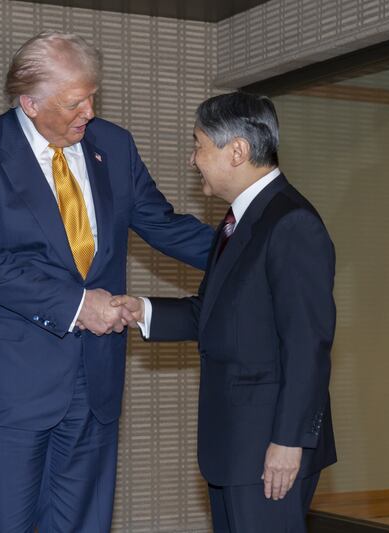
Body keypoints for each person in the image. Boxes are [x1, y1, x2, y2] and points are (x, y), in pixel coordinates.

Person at [0, 31, 214, 532]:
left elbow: (163, 224)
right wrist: (78, 304)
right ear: (30, 102)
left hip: (95, 377)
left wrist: (251, 250)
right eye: (74, 103)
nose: (89, 111)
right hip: (9, 381)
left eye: (92, 96)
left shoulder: (114, 144)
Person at [112, 92, 337, 532]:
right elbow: (213, 314)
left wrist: (287, 441)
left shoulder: (291, 223)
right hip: (236, 446)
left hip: (269, 448)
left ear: (237, 151)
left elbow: (308, 344)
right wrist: (142, 310)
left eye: (198, 146)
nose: (193, 160)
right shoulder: (239, 221)